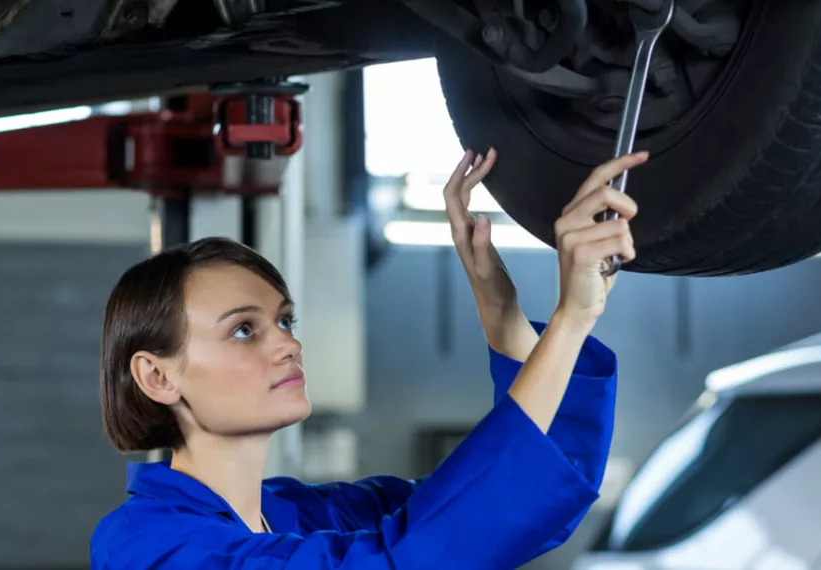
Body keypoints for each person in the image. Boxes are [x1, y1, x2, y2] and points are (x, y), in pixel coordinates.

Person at [89, 149, 647, 569]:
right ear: (157, 376)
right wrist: (570, 320)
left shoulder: (301, 515)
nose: (288, 343)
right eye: (242, 330)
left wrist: (502, 312)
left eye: (285, 320)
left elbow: (519, 501)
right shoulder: (149, 548)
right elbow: (416, 556)